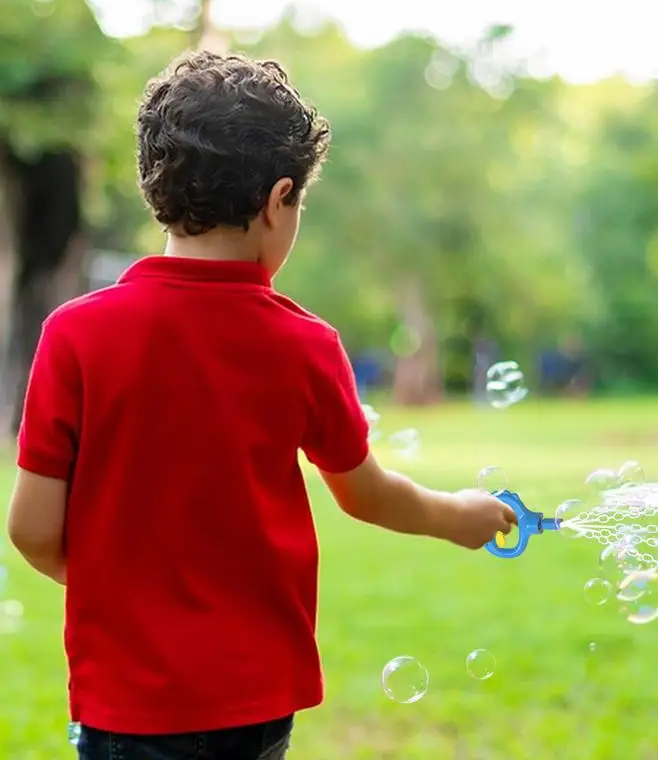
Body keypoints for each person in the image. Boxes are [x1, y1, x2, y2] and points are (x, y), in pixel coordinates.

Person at [6, 52, 516, 760]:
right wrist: (459, 514)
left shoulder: (75, 335)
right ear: (279, 199)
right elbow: (366, 494)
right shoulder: (305, 344)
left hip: (125, 706)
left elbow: (31, 528)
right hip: (253, 702)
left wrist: (119, 584)